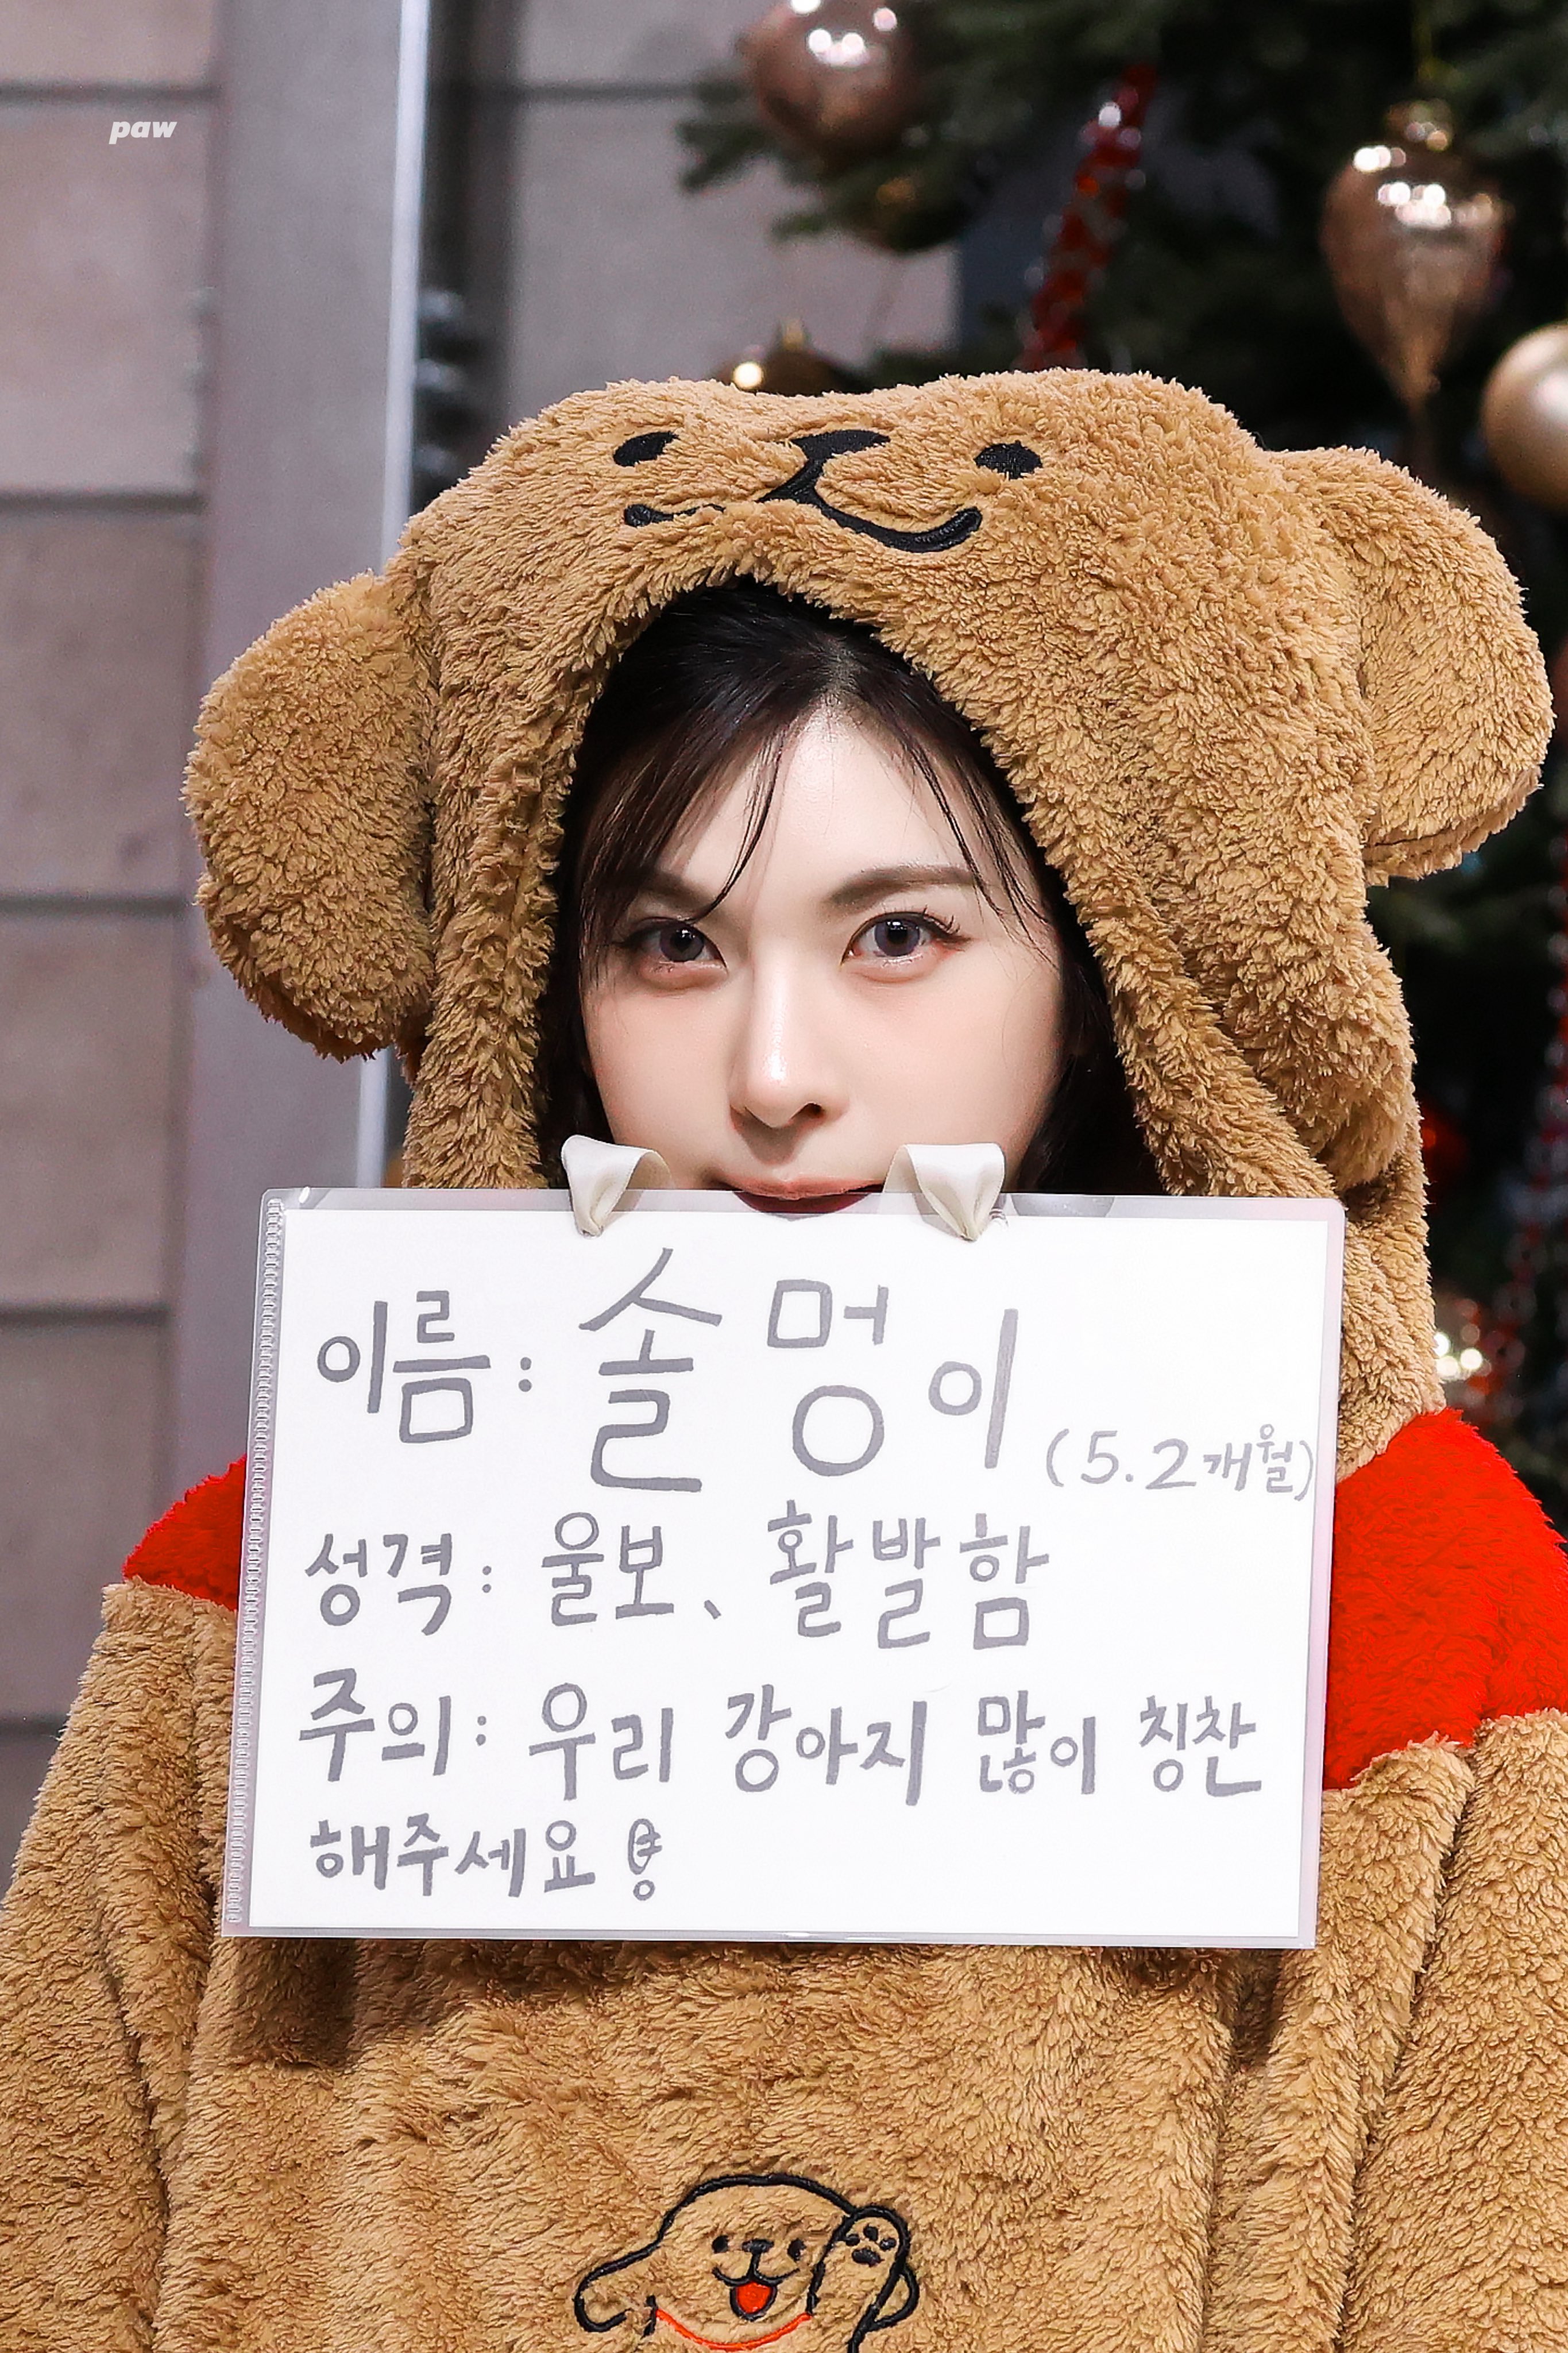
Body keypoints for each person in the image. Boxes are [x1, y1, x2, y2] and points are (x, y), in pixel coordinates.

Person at [3, 368, 1568, 2352]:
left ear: (1104, 972)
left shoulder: (1415, 1587)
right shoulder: (273, 1585)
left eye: (897, 936)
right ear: (541, 975)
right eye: (670, 943)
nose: (770, 1075)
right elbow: (54, 2249)